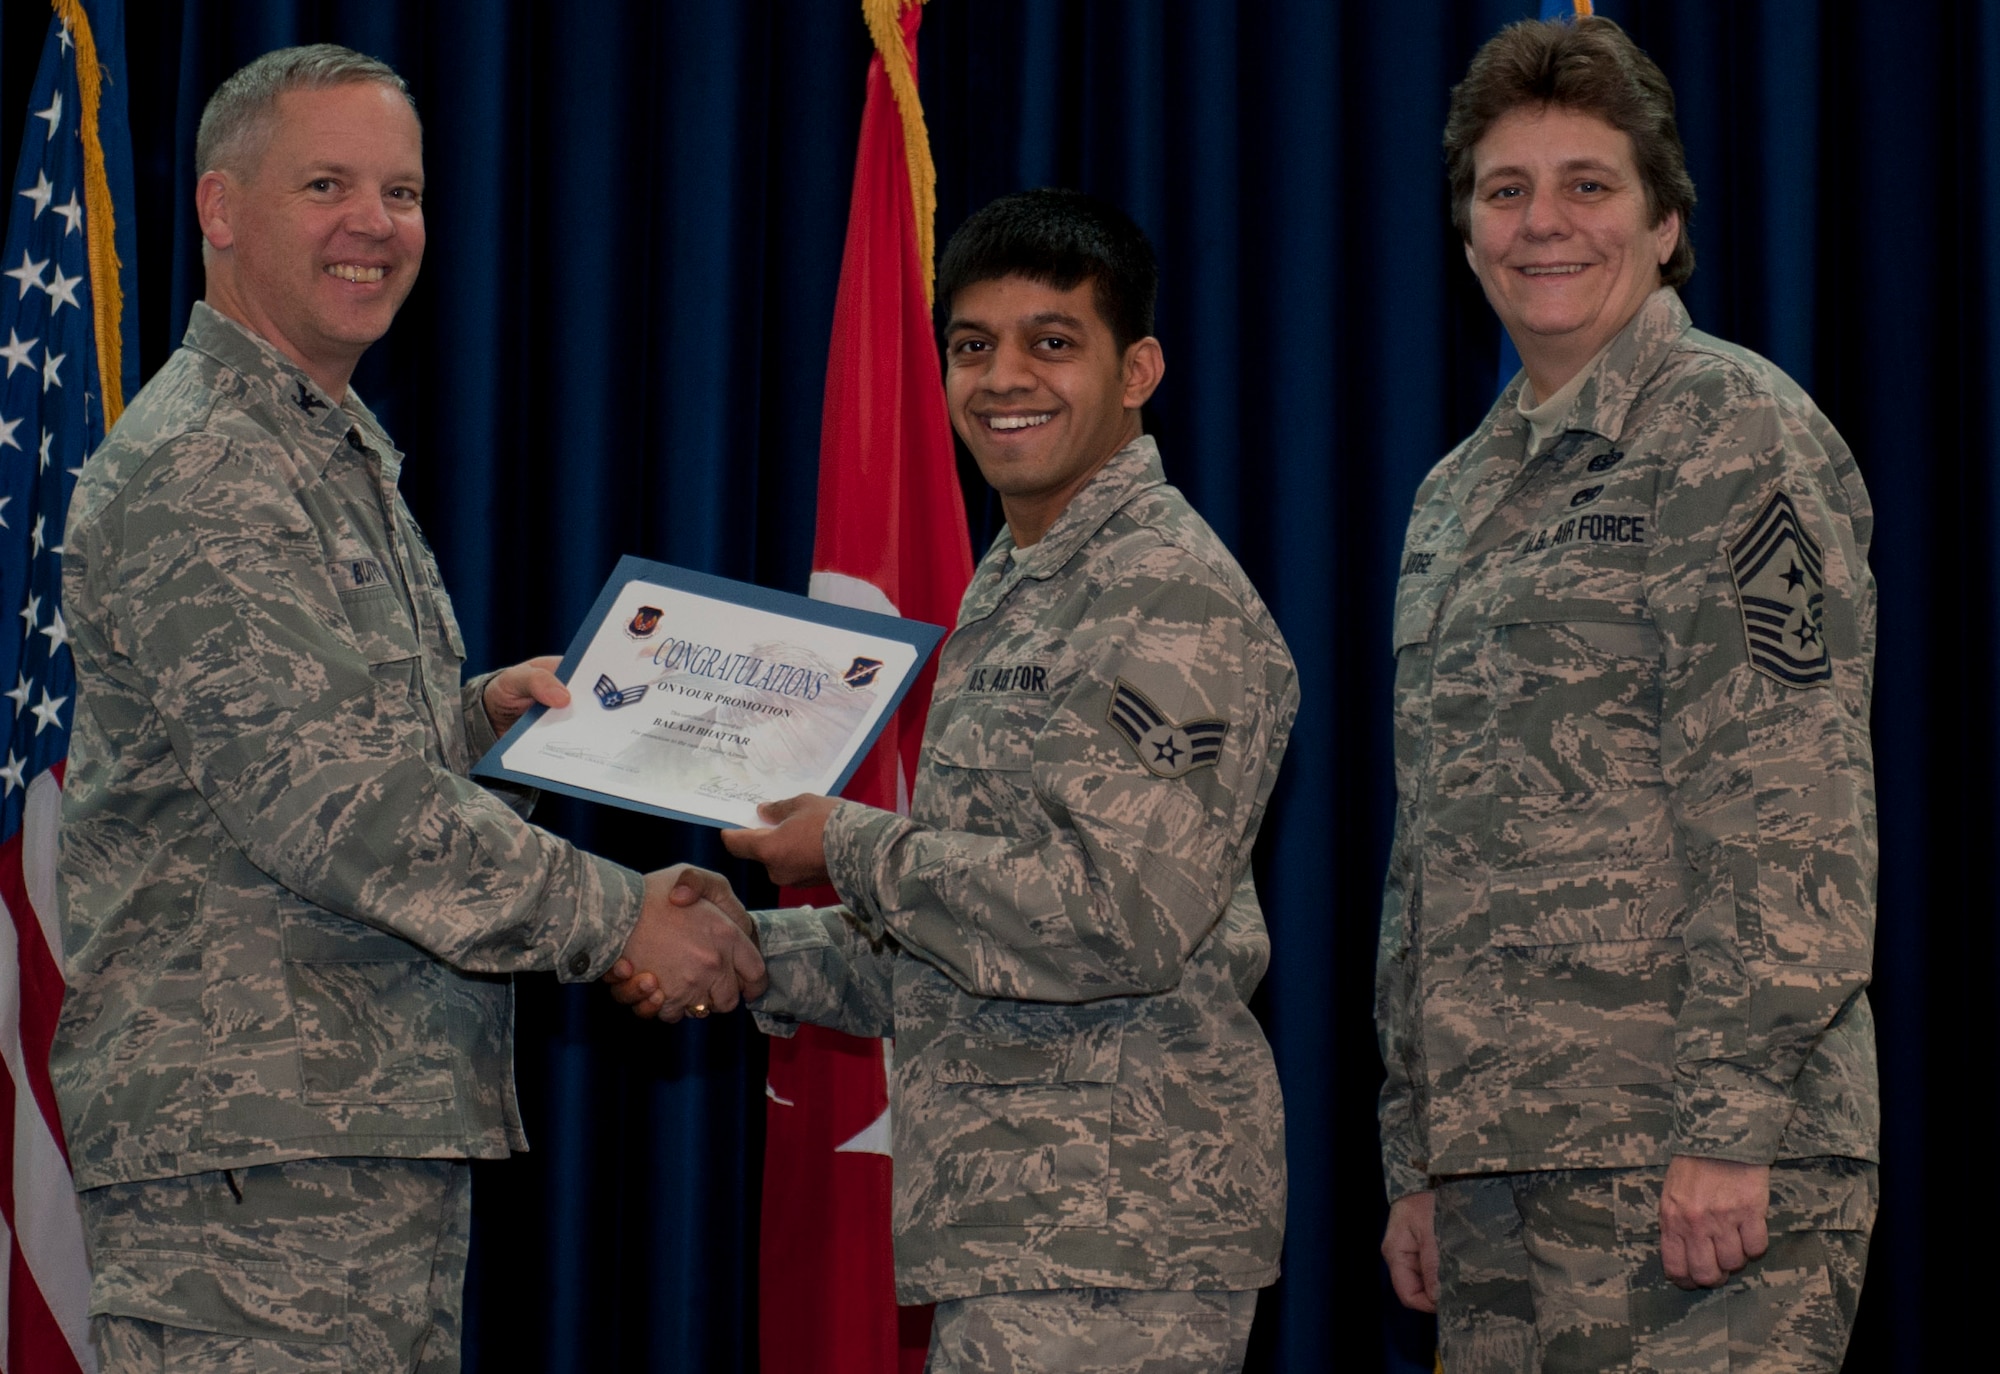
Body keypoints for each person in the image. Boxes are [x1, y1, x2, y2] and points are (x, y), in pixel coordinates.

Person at [54, 44, 764, 1372]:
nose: (374, 225)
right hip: (255, 1155)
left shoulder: (319, 446)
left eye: (403, 191)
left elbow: (318, 753)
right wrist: (621, 913)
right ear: (218, 208)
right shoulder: (207, 466)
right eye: (326, 183)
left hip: (335, 1135)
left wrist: (487, 717)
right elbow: (334, 807)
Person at [618, 189, 1298, 1372]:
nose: (1002, 379)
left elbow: (1113, 924)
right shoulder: (1022, 581)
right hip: (1024, 1233)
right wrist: (739, 948)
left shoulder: (1164, 594)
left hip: (1114, 1236)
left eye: (1051, 342)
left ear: (1137, 369)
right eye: (971, 346)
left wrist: (845, 847)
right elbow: (960, 939)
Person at [1375, 15, 1877, 1372]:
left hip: (1693, 1163)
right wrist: (1418, 1149)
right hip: (1497, 1173)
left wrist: (1730, 1123)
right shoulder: (1452, 498)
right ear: (1469, 229)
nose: (1546, 224)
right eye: (1506, 190)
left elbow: (1792, 795)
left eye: (1588, 185)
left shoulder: (1734, 431)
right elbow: (1430, 851)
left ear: (1664, 224)